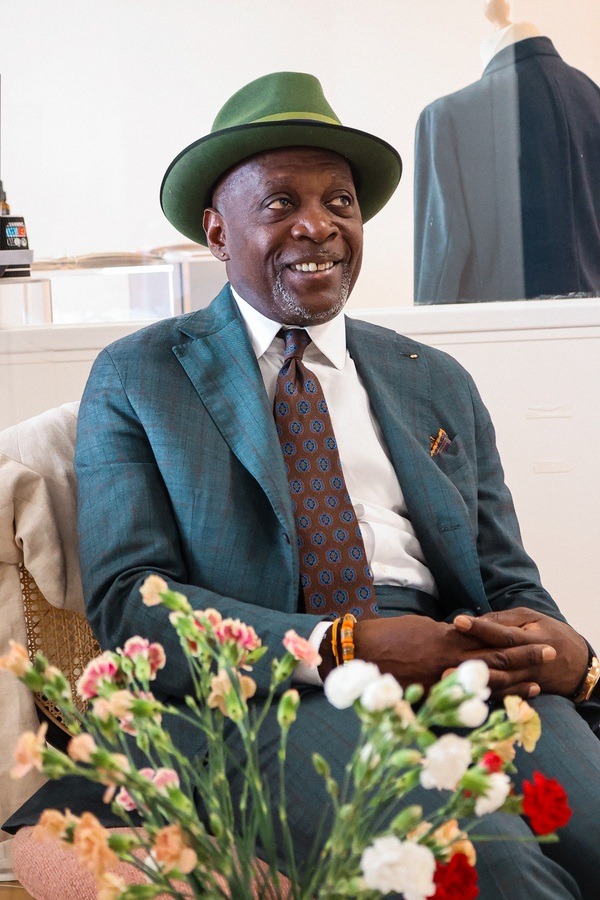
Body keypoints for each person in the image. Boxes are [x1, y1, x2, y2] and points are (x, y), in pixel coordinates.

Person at [5, 71, 600, 897]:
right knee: (483, 862)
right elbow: (129, 600)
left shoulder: (435, 379)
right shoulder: (140, 375)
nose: (318, 224)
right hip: (270, 691)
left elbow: (506, 576)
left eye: (340, 202)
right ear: (218, 232)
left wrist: (573, 657)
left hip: (462, 658)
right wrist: (346, 645)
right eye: (280, 203)